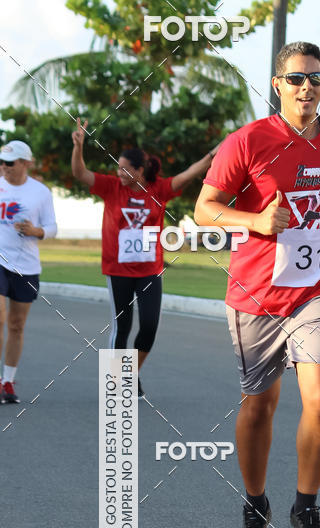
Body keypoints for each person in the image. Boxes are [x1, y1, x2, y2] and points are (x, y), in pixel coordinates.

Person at [195, 41, 320, 528]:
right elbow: (205, 209)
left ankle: (306, 507)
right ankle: (254, 505)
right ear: (277, 86)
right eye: (296, 79)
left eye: (316, 79)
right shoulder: (247, 141)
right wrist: (254, 221)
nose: (307, 88)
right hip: (257, 295)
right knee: (259, 404)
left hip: (319, 289)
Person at [71, 119, 217, 396]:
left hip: (149, 270)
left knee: (149, 326)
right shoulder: (111, 187)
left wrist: (212, 155)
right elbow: (80, 173)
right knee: (122, 326)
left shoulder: (159, 190)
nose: (120, 173)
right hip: (118, 270)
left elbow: (188, 174)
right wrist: (78, 146)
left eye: (126, 169)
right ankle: (116, 382)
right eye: (119, 167)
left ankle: (130, 373)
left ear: (140, 171)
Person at [0, 140, 57, 404]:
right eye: (1, 162)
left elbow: (52, 226)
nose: (4, 167)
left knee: (16, 325)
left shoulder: (40, 192)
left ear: (25, 163)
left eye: (9, 163)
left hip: (27, 267)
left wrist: (37, 231)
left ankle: (8, 381)